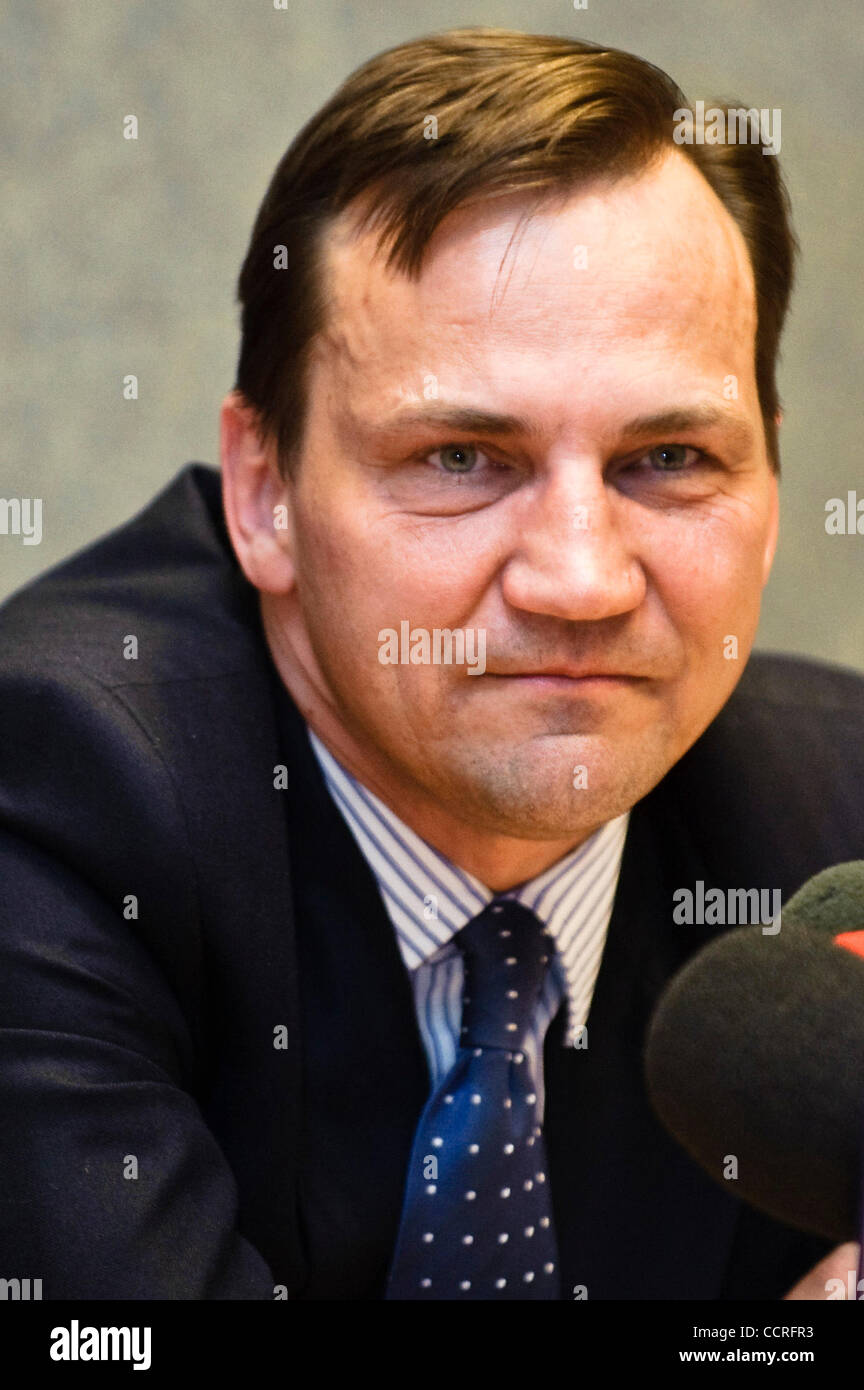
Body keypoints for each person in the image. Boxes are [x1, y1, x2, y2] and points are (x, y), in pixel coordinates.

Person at [1, 26, 862, 1301]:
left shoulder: (834, 807)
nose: (582, 580)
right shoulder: (57, 795)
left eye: (669, 460)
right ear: (264, 492)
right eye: (461, 459)